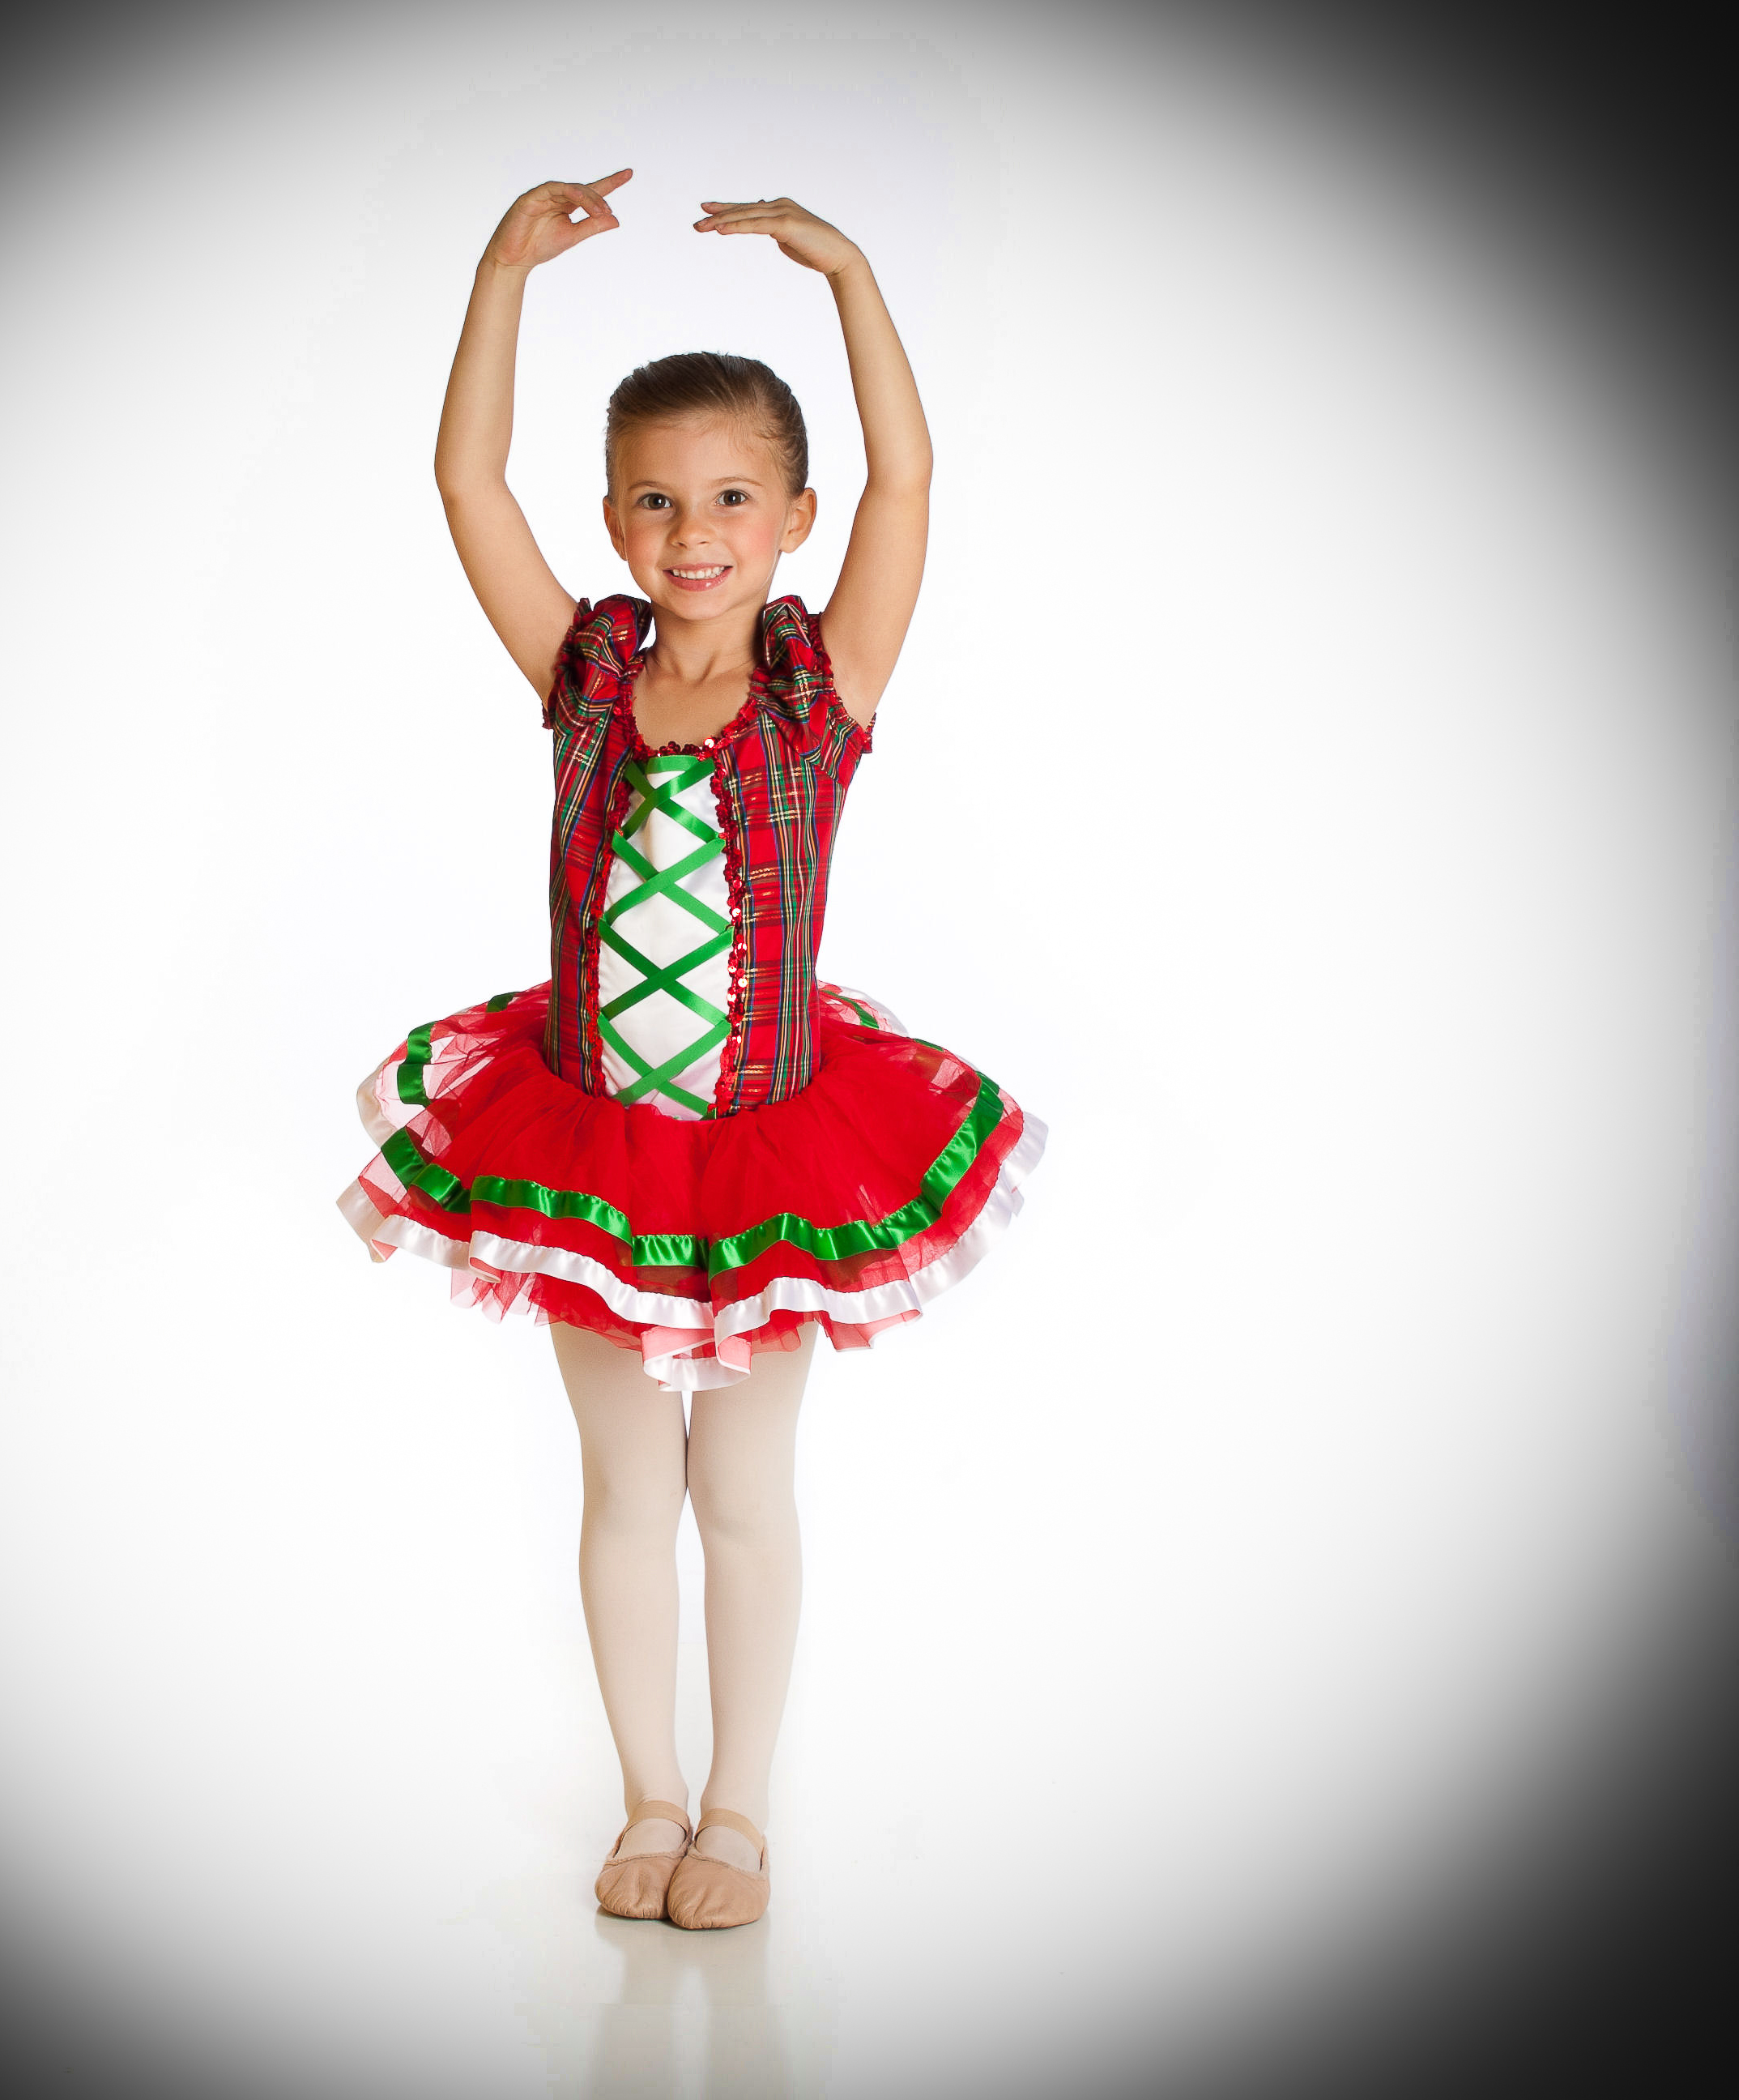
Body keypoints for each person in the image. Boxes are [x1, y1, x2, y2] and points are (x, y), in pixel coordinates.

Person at [338, 172, 1045, 1928]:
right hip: (584, 1146)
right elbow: (466, 485)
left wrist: (853, 276)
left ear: (795, 516)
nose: (692, 530)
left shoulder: (824, 690)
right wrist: (499, 273)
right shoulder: (583, 675)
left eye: (732, 497)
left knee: (740, 1491)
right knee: (620, 1490)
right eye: (654, 499)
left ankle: (738, 1815)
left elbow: (911, 484)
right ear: (613, 520)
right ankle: (646, 1799)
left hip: (770, 1149)